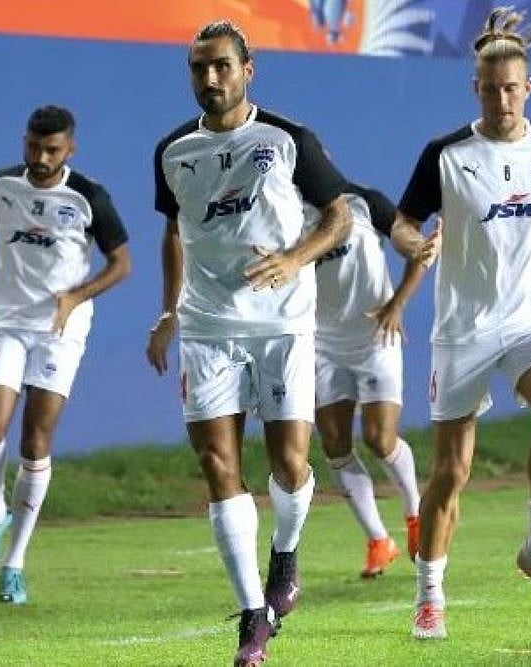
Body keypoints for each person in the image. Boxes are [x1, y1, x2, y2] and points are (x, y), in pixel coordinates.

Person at [146, 20, 352, 667]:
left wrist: (295, 258)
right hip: (208, 325)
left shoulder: (287, 139)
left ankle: (284, 553)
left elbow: (339, 214)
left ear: (247, 69)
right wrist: (168, 311)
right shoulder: (172, 151)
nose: (210, 78)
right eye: (198, 68)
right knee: (217, 462)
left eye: (221, 66)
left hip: (282, 324)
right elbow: (174, 232)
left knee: (290, 463)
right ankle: (252, 615)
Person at [390, 7, 531, 640]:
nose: (502, 100)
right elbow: (402, 222)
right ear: (474, 88)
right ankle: (429, 596)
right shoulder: (446, 155)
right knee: (452, 471)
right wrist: (415, 244)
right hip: (463, 329)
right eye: (490, 89)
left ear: (528, 87)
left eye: (512, 88)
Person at [0, 106, 131, 604]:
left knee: (35, 441)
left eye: (52, 150)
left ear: (69, 149)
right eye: (34, 147)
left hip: (61, 328)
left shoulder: (88, 196)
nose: (40, 158)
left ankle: (14, 564)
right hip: (8, 321)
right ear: (24, 142)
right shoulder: (0, 185)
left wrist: (75, 297)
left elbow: (121, 263)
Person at [306, 183, 430, 577]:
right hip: (322, 343)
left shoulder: (363, 203)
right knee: (334, 442)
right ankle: (379, 540)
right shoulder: (285, 216)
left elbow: (418, 249)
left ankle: (415, 513)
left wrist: (398, 304)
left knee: (380, 439)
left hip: (375, 335)